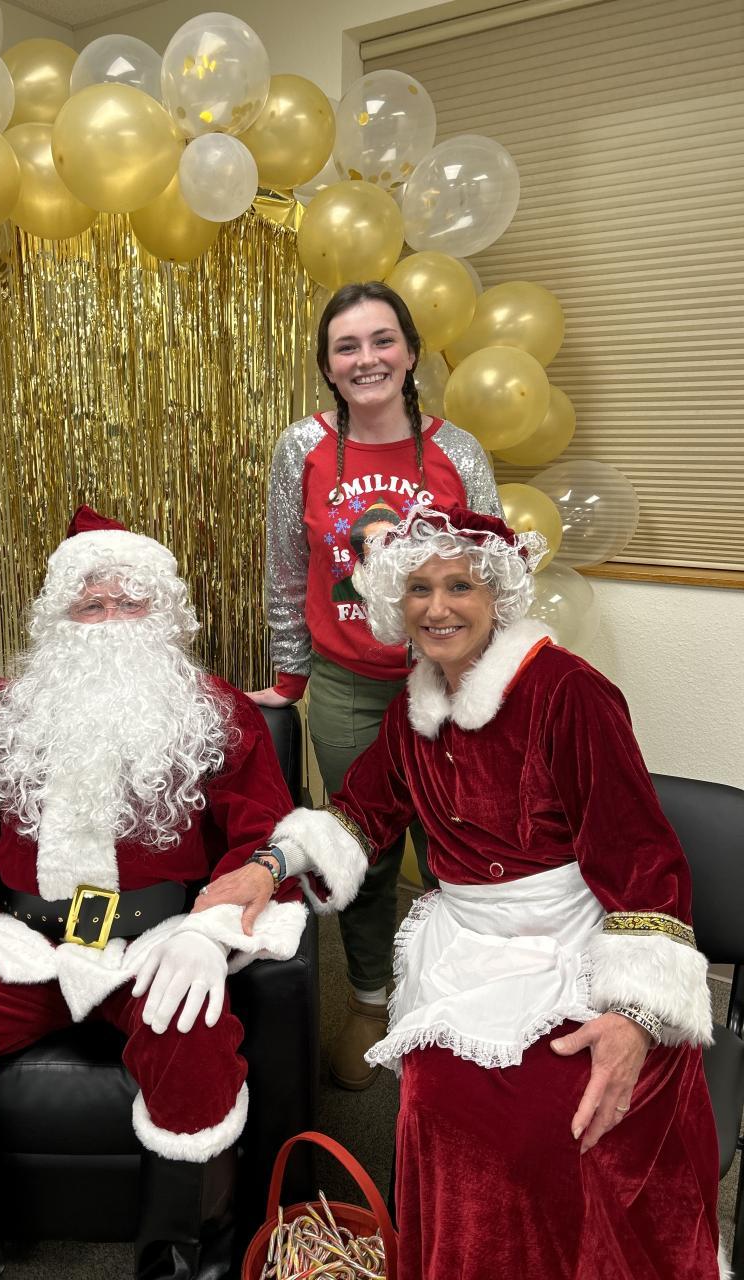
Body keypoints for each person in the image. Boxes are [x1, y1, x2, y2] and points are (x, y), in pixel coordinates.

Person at [204, 502, 724, 1279]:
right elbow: (360, 813)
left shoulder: (569, 693)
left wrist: (634, 1015)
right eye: (418, 588)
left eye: (460, 586)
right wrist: (269, 865)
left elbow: (643, 858)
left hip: (570, 947)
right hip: (465, 952)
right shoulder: (416, 706)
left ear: (498, 596)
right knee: (435, 1109)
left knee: (555, 1131)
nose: (437, 607)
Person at [0, 506, 306, 1280]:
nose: (112, 620)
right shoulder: (12, 711)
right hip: (24, 942)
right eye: (92, 604)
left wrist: (211, 931)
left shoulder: (217, 712)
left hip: (155, 943)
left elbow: (266, 835)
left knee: (192, 1036)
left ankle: (186, 1266)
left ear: (165, 615)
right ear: (60, 620)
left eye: (131, 602)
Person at [248, 280, 503, 1090]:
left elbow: (497, 571)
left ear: (412, 352)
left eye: (382, 340)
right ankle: (369, 998)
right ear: (328, 366)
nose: (367, 359)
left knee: (460, 847)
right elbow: (289, 571)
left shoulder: (460, 451)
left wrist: (494, 683)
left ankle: (460, 1002)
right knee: (363, 848)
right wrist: (289, 677)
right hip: (350, 690)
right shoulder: (302, 447)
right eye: (347, 346)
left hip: (451, 687)